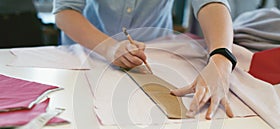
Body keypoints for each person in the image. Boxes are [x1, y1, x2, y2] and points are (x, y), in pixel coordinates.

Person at [53, 0, 236, 119]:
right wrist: (110, 47)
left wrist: (221, 57)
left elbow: (212, 3)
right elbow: (64, 11)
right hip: (88, 48)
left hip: (157, 47)